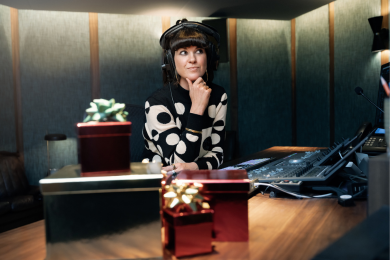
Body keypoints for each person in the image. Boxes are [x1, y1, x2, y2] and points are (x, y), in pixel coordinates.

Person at [142, 19, 228, 175]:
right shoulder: (156, 103)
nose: (192, 59)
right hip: (164, 186)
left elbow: (218, 154)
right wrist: (196, 109)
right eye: (183, 52)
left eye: (199, 51)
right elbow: (178, 164)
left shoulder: (218, 96)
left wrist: (195, 166)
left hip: (201, 180)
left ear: (208, 57)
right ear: (171, 60)